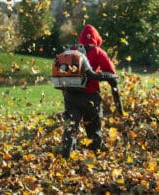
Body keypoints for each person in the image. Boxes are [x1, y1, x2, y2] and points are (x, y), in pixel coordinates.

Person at [61, 24, 117, 158]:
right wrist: (100, 75)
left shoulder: (71, 50)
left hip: (71, 96)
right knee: (93, 127)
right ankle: (96, 153)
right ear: (96, 38)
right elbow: (112, 73)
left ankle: (66, 155)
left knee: (70, 127)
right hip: (90, 97)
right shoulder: (98, 52)